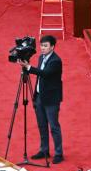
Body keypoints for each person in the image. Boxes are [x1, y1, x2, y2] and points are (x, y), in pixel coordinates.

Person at [18, 35, 64, 163]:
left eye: (45, 46)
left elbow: (45, 74)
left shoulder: (56, 61)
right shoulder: (40, 57)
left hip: (51, 99)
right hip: (39, 96)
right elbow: (39, 75)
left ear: (52, 47)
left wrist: (29, 67)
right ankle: (44, 150)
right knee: (42, 125)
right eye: (41, 45)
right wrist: (27, 68)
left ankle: (59, 153)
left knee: (54, 127)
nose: (42, 48)